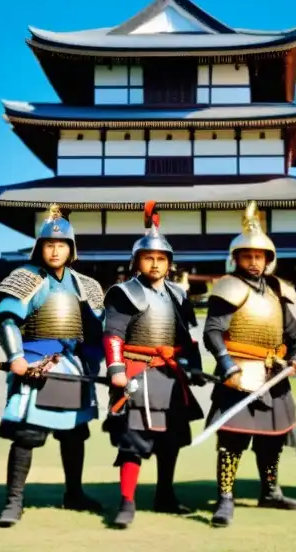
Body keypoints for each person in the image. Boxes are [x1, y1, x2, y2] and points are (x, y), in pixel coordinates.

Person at [202, 201, 296, 527]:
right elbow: (212, 332)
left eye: (260, 256)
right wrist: (227, 366)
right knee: (232, 441)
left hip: (274, 374)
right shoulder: (228, 287)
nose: (254, 262)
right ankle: (225, 497)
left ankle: (270, 491)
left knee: (272, 438)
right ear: (236, 258)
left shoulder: (278, 292)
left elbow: (295, 335)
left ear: (269, 259)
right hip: (239, 374)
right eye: (247, 255)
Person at [0, 204, 106, 527]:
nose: (54, 251)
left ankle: (74, 494)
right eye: (49, 245)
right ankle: (13, 501)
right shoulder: (26, 278)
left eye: (61, 245)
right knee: (27, 434)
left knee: (74, 433)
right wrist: (16, 357)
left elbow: (98, 330)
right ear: (39, 247)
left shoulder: (85, 285)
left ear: (71, 249)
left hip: (73, 366)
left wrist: (94, 362)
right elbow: (8, 321)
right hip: (37, 364)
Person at [101, 202, 205, 528]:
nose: (155, 264)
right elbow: (113, 333)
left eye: (161, 258)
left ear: (170, 263)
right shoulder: (124, 292)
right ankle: (127, 501)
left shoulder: (177, 295)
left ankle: (165, 496)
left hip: (171, 376)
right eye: (149, 258)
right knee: (133, 441)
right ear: (136, 261)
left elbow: (186, 336)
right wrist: (116, 369)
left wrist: (194, 366)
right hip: (137, 373)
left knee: (170, 440)